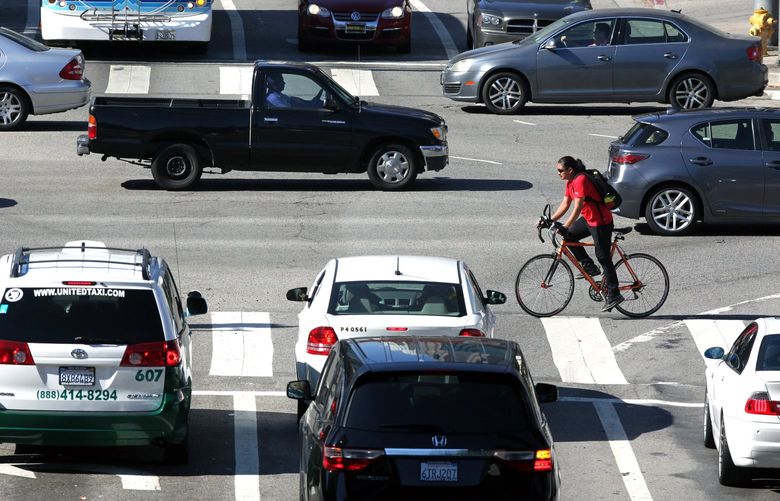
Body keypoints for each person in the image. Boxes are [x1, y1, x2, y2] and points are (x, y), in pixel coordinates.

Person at [546, 156, 624, 312]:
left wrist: (565, 226)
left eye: (560, 170)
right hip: (589, 220)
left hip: (601, 222)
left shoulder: (581, 180)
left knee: (603, 257)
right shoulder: (570, 182)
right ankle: (590, 267)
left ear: (570, 170)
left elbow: (577, 207)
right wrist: (548, 220)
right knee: (569, 237)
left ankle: (614, 294)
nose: (558, 173)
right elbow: (565, 204)